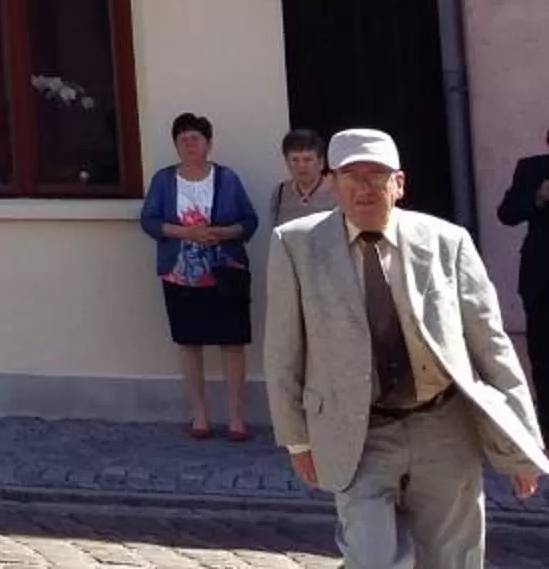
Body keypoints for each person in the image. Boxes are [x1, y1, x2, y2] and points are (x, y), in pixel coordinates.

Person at [266, 128, 544, 569]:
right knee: (371, 557)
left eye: (376, 175)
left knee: (452, 557)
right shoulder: (295, 245)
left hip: (443, 425)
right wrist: (297, 439)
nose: (364, 187)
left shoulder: (447, 242)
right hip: (358, 429)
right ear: (332, 183)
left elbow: (491, 345)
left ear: (399, 183)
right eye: (350, 175)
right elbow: (282, 350)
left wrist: (522, 445)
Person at [142, 112, 262, 439]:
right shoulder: (164, 180)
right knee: (189, 342)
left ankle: (237, 418)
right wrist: (185, 232)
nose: (189, 145)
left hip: (226, 271)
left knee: (232, 343)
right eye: (182, 139)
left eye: (195, 138)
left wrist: (223, 233)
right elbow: (149, 221)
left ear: (208, 143)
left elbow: (249, 221)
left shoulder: (227, 178)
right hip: (180, 274)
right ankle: (200, 416)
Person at [502, 130, 549, 383]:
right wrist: (538, 198)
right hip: (542, 283)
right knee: (544, 363)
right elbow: (506, 214)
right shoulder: (532, 169)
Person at [275, 129, 337, 229]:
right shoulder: (280, 193)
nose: (301, 166)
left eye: (307, 160)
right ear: (287, 163)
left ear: (321, 162)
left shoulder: (338, 192)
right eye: (295, 160)